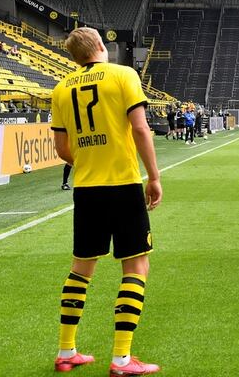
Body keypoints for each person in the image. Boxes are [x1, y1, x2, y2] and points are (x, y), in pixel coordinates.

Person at [49, 27, 162, 375]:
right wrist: (154, 177)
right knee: (136, 266)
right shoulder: (123, 75)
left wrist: (87, 161)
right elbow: (141, 128)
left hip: (86, 188)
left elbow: (61, 149)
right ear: (101, 46)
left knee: (81, 268)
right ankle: (122, 359)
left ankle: (67, 350)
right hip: (122, 184)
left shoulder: (61, 88)